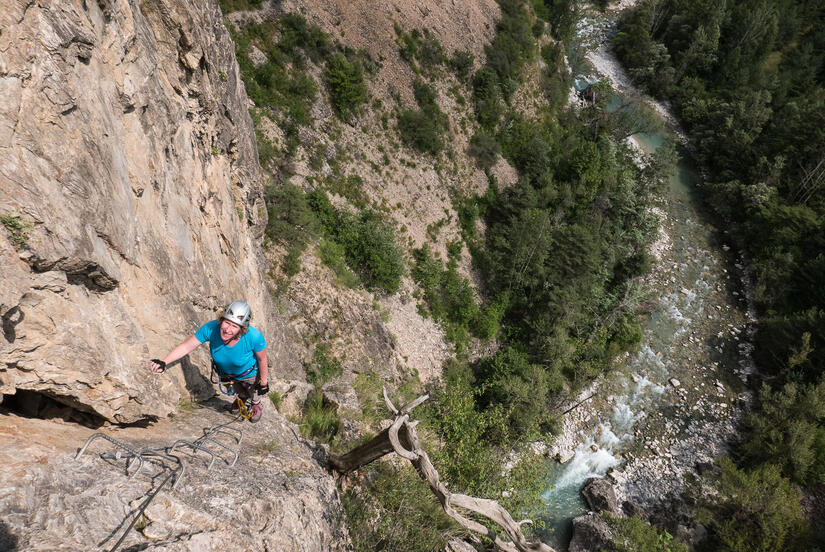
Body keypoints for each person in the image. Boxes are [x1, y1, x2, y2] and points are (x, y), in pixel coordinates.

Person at [150, 301, 269, 423]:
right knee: (237, 389)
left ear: (241, 329)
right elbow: (187, 346)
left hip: (249, 373)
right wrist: (164, 362)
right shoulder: (211, 328)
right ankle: (242, 399)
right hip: (226, 372)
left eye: (234, 326)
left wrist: (263, 383)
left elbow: (262, 359)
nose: (228, 329)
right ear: (221, 319)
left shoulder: (254, 337)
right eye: (226, 322)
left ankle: (256, 404)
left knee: (254, 390)